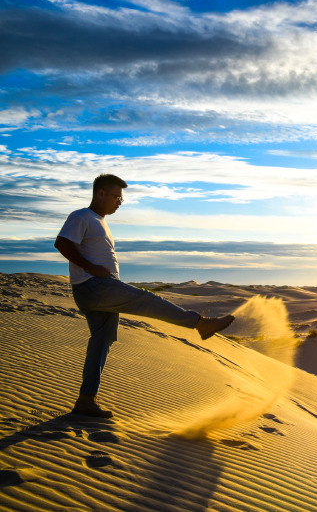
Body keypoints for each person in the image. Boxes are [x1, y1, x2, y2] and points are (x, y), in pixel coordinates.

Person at [55, 174, 235, 418]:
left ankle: (86, 400)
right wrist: (91, 268)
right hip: (94, 286)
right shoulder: (82, 216)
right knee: (147, 300)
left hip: (99, 289)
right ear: (100, 193)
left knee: (102, 341)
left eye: (121, 198)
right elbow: (62, 243)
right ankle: (200, 323)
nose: (120, 202)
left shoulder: (99, 221)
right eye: (116, 196)